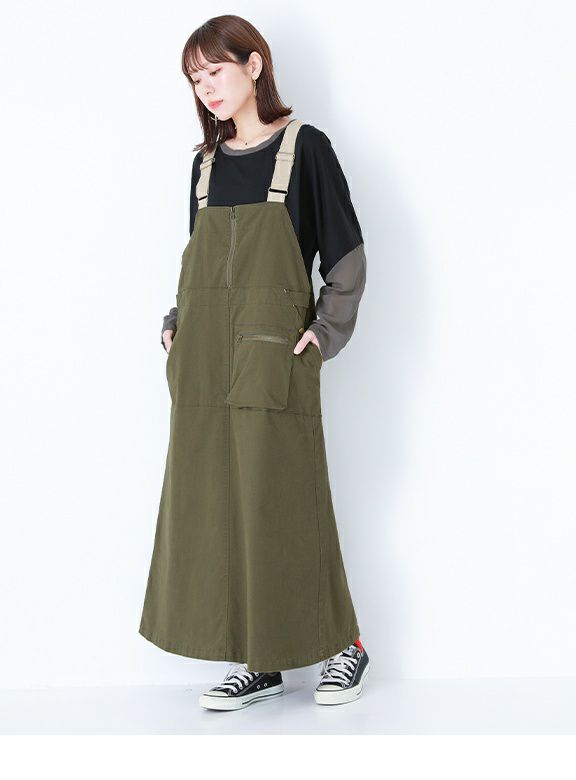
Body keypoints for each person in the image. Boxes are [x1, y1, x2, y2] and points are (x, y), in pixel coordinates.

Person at [138, 14, 369, 710]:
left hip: (273, 358)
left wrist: (325, 333)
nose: (206, 87)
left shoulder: (306, 148)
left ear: (254, 65)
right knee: (215, 505)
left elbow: (346, 257)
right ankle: (257, 658)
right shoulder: (204, 166)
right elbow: (197, 263)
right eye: (195, 78)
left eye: (215, 70)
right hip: (204, 361)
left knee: (285, 499)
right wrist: (176, 326)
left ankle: (346, 647)